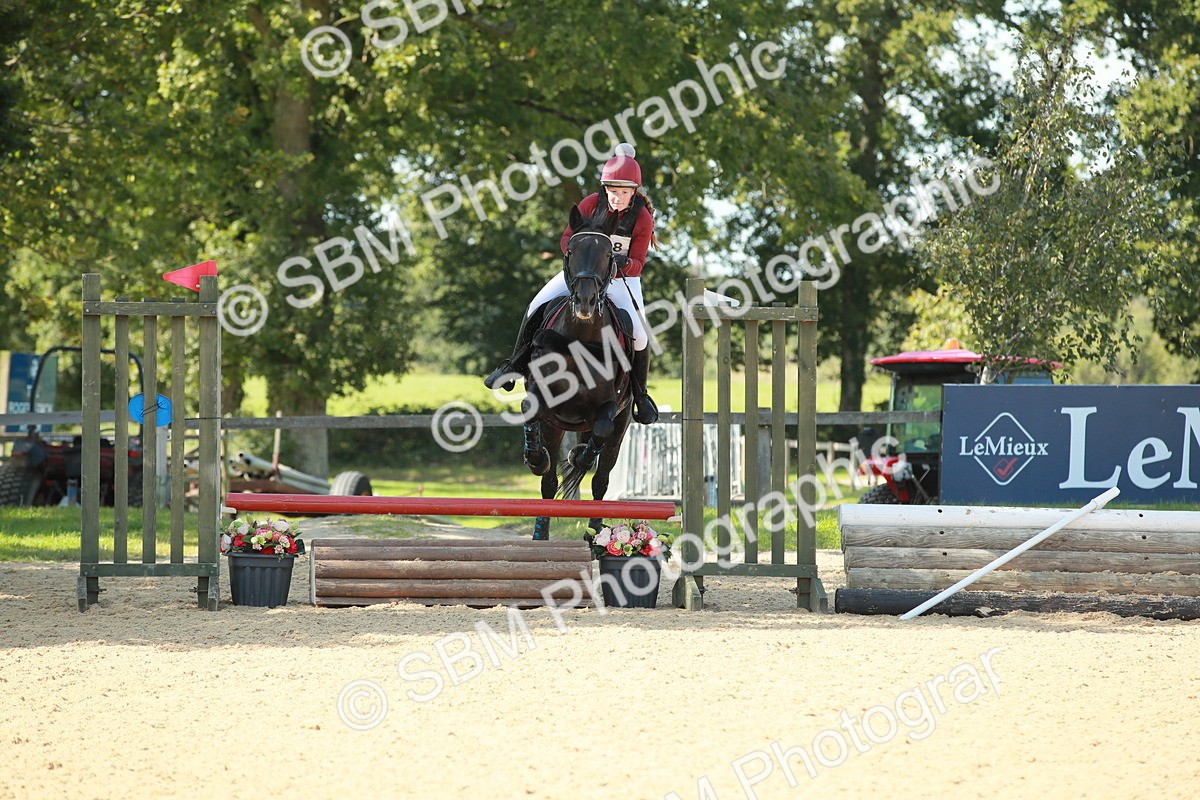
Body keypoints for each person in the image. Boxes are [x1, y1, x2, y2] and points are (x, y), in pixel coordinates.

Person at [484, 142, 659, 424]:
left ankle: (640, 395)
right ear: (605, 188)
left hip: (620, 279)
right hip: (583, 275)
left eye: (624, 192)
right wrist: (579, 256)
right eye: (613, 191)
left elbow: (638, 262)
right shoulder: (590, 205)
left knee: (639, 335)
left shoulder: (642, 218)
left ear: (634, 192)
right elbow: (566, 239)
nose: (617, 198)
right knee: (536, 305)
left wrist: (621, 262)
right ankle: (513, 365)